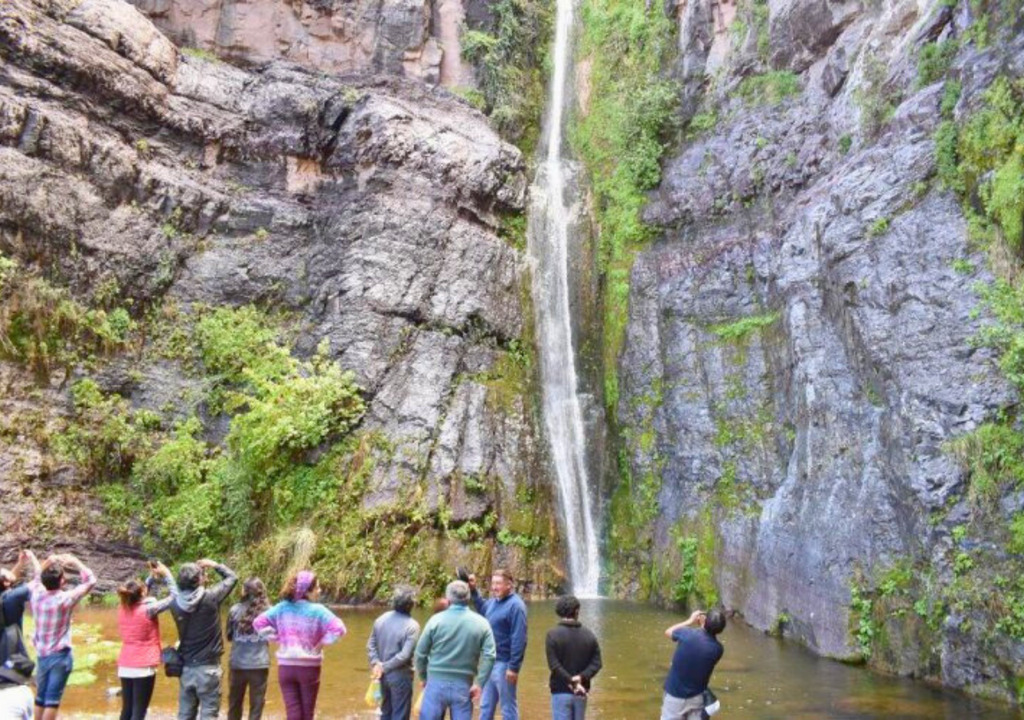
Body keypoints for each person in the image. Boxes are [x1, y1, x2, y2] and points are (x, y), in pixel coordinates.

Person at [253, 571, 346, 720]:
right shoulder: (318, 610)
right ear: (307, 591)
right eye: (317, 587)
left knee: (293, 712)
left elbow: (258, 623)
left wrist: (278, 638)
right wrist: (321, 644)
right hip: (309, 668)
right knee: (307, 713)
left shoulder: (282, 607)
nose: (320, 590)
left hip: (286, 668)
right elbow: (339, 629)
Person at [162, 558, 238, 720]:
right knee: (209, 713)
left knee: (185, 715)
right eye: (202, 576)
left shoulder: (174, 605)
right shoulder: (210, 598)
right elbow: (232, 577)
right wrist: (214, 564)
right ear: (199, 580)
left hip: (186, 668)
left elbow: (177, 592)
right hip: (209, 668)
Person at [28, 553, 97, 720]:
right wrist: (76, 562)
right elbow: (91, 581)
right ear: (62, 582)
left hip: (42, 655)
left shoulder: (36, 595)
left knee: (40, 697)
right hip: (60, 656)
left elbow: (36, 578)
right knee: (52, 700)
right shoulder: (65, 599)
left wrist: (46, 562)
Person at [414, 580, 496, 720]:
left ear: (448, 598)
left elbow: (420, 653)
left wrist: (423, 677)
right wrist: (479, 683)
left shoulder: (435, 621)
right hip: (463, 686)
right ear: (468, 597)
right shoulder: (482, 623)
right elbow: (490, 656)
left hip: (435, 684)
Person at [116, 561, 178, 720]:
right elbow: (174, 597)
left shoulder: (123, 607)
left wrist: (151, 577)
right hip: (143, 666)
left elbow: (139, 594)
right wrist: (167, 574)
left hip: (125, 664)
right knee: (139, 711)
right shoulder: (149, 609)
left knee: (127, 709)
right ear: (142, 593)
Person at [468, 569, 527, 720]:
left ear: (509, 585)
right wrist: (474, 590)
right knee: (485, 706)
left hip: (505, 664)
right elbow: (482, 608)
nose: (494, 587)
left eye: (498, 583)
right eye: (493, 583)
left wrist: (513, 667)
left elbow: (519, 638)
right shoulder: (494, 602)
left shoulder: (516, 606)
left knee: (507, 708)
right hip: (490, 662)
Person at [660, 609, 726, 720]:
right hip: (697, 698)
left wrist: (690, 620)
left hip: (675, 695)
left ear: (704, 620)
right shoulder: (718, 649)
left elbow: (668, 631)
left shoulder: (687, 633)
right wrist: (703, 625)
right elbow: (702, 646)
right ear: (720, 630)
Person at [367, 585, 421, 720]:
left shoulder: (381, 619)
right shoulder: (412, 626)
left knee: (385, 712)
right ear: (411, 605)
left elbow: (370, 645)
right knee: (400, 715)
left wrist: (376, 664)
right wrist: (383, 667)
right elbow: (404, 656)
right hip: (400, 677)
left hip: (382, 676)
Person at [545, 595, 602, 720]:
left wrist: (571, 681)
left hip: (561, 690)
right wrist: (581, 677)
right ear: (577, 611)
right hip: (581, 691)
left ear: (559, 611)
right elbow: (597, 663)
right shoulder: (589, 635)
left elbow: (554, 665)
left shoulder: (552, 635)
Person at [226, 578, 270, 720]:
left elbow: (229, 636)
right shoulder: (269, 611)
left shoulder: (234, 610)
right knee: (256, 706)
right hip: (259, 665)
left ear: (244, 591)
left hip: (237, 664)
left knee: (234, 704)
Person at [1, 550, 38, 631]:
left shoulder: (6, 593)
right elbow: (38, 581)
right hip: (13, 640)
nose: (10, 572)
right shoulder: (15, 596)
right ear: (6, 582)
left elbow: (11, 577)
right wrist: (33, 558)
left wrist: (21, 562)